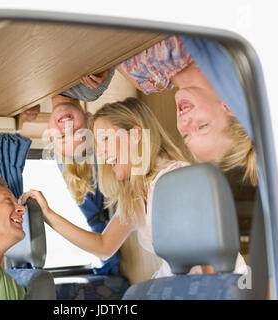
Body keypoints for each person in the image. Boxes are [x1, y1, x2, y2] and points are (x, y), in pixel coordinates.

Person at [22, 97, 247, 278]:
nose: (100, 153)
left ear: (136, 134)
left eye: (105, 140)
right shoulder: (138, 193)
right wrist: (47, 215)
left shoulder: (177, 180)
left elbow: (210, 263)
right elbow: (103, 246)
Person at [61, 35, 257, 186]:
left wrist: (105, 66)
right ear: (228, 105)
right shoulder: (202, 45)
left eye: (187, 136)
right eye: (202, 126)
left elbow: (112, 50)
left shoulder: (147, 83)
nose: (185, 124)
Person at [46, 94, 121, 275]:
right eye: (80, 133)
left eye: (63, 137)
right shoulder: (93, 86)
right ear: (90, 119)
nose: (68, 127)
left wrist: (47, 214)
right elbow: (104, 247)